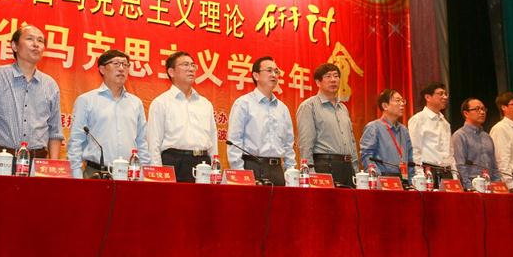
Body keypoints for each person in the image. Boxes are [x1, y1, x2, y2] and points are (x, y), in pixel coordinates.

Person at [0, 25, 63, 174]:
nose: (36, 44)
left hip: (37, 165)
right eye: (30, 39)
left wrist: (53, 168)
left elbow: (55, 132)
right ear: (14, 46)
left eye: (40, 41)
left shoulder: (50, 85)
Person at [68, 50, 150, 178]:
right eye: (116, 64)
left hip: (130, 175)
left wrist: (144, 175)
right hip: (96, 173)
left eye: (125, 65)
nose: (121, 68)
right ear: (102, 69)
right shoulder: (86, 100)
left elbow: (142, 142)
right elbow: (76, 141)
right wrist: (76, 176)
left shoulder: (136, 103)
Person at [147, 51, 218, 183]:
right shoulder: (161, 102)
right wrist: (157, 174)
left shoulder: (205, 104)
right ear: (171, 72)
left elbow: (213, 139)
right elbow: (154, 143)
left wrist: (215, 168)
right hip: (174, 162)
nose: (191, 69)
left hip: (203, 163)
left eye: (193, 65)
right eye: (185, 65)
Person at [226, 57, 295, 186]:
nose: (274, 75)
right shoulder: (243, 103)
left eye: (276, 71)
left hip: (277, 170)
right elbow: (234, 141)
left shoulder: (282, 108)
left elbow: (288, 144)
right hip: (252, 167)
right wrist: (240, 173)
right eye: (269, 70)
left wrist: (290, 171)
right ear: (256, 75)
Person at [296, 63, 359, 187]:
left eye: (336, 76)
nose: (333, 80)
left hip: (348, 167)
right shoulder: (309, 106)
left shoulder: (343, 108)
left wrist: (355, 169)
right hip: (324, 166)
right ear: (318, 82)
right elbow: (305, 142)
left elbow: (351, 140)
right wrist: (309, 171)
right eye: (328, 76)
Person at [360, 89, 415, 179]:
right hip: (383, 179)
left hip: (403, 179)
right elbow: (367, 156)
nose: (402, 104)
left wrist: (411, 180)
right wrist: (377, 178)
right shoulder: (374, 127)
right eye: (397, 100)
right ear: (385, 106)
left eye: (403, 101)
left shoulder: (404, 130)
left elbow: (410, 159)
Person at [408, 82, 453, 182]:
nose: (445, 97)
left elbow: (450, 152)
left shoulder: (445, 123)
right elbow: (415, 150)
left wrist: (454, 175)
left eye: (446, 94)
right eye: (440, 94)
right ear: (428, 97)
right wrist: (420, 175)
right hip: (428, 171)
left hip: (447, 172)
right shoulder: (418, 119)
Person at [451, 98, 500, 190]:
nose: (482, 112)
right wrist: (469, 188)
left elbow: (494, 166)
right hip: (472, 185)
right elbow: (460, 166)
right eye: (477, 109)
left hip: (490, 186)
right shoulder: (460, 135)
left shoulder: (487, 137)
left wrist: (497, 186)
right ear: (466, 113)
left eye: (483, 109)